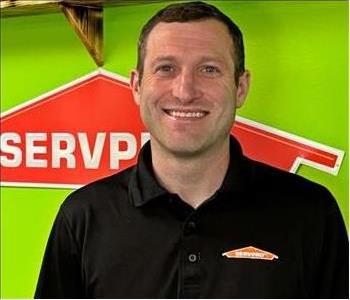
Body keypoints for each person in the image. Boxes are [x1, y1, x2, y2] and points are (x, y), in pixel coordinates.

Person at [35, 1, 348, 298]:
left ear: (241, 87)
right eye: (166, 68)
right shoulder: (84, 218)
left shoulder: (311, 214)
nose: (185, 91)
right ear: (136, 86)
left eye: (209, 69)